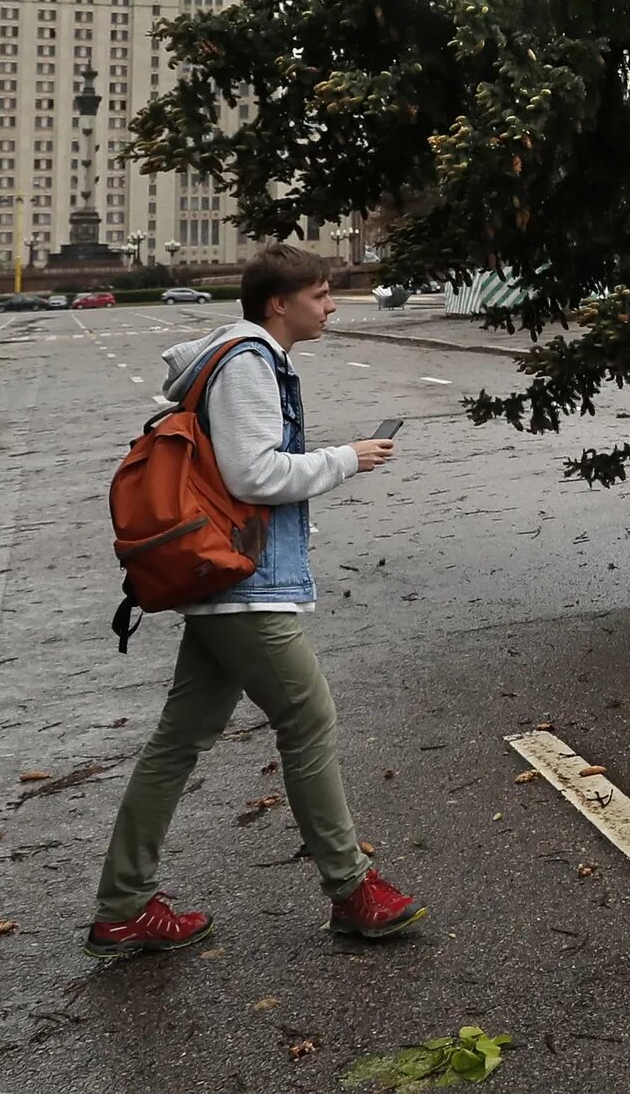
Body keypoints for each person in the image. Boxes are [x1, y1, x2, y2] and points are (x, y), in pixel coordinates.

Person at [85, 243, 428, 958]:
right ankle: (352, 888)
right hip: (243, 582)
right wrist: (347, 458)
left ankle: (123, 904)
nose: (331, 304)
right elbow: (253, 473)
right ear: (281, 302)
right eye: (322, 293)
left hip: (224, 582)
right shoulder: (249, 360)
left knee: (178, 741)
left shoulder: (249, 356)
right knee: (307, 716)